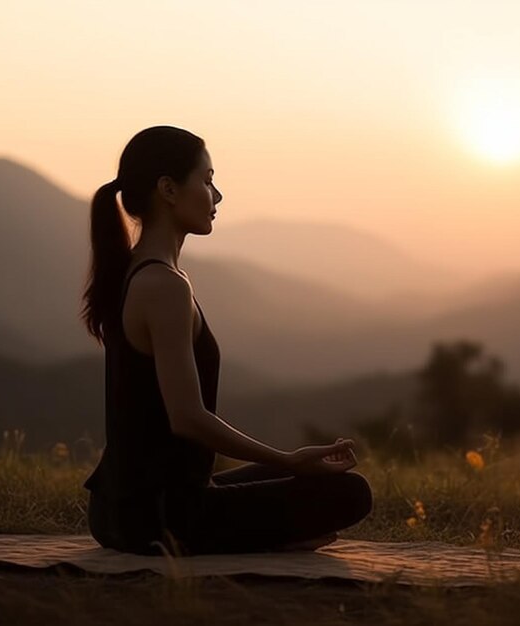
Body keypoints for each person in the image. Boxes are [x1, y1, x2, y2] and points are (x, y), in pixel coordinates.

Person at [80, 125, 373, 556]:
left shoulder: (137, 271)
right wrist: (288, 459)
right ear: (168, 189)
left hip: (122, 511)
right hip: (163, 518)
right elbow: (188, 419)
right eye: (208, 180)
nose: (216, 196)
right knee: (351, 493)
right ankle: (269, 539)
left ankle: (268, 533)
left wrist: (292, 464)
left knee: (313, 480)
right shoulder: (164, 285)